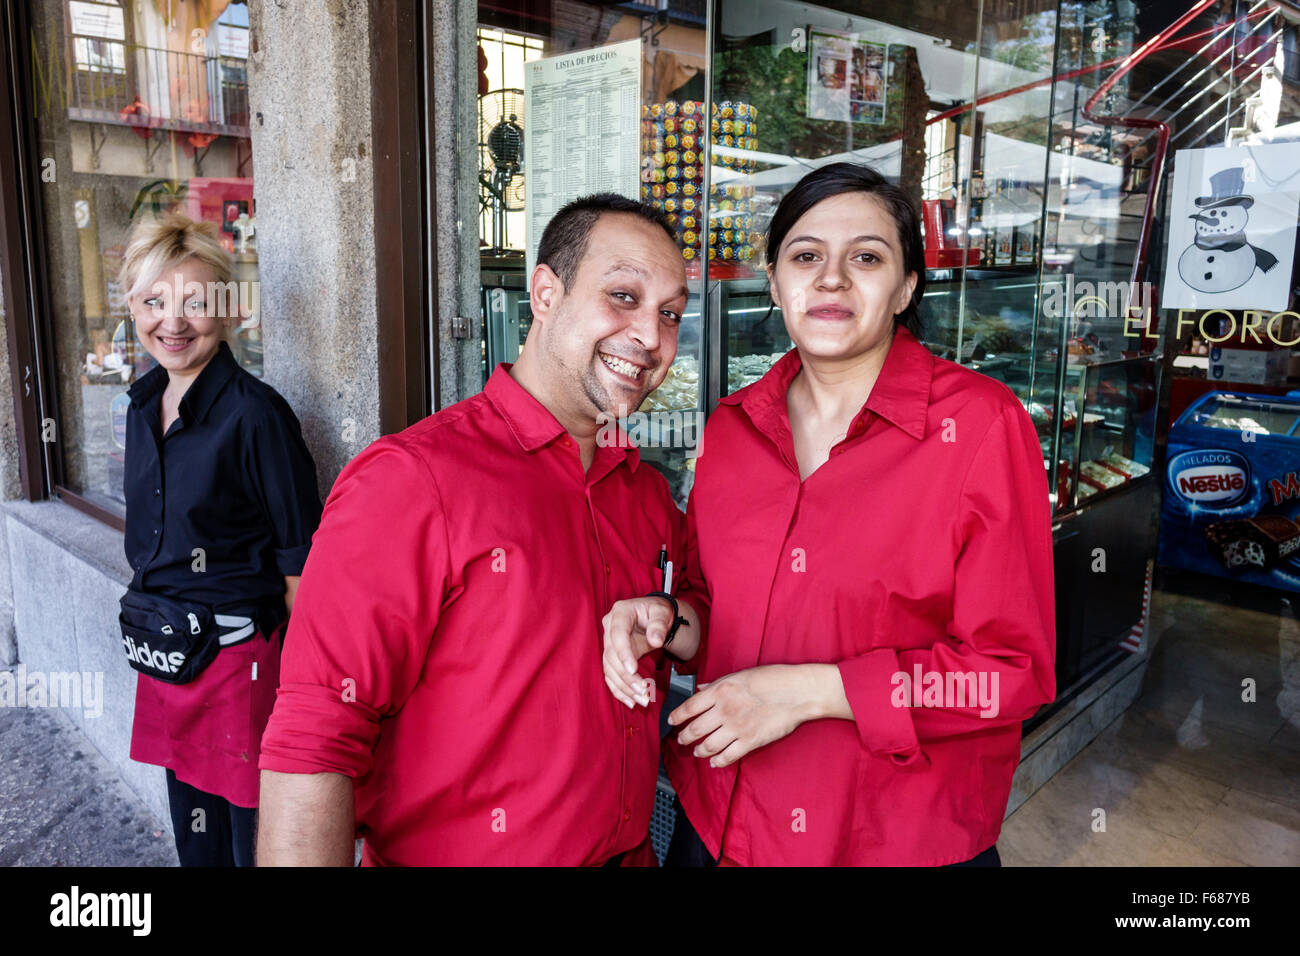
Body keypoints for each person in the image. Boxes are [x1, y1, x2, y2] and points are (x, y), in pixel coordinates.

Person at [603, 163, 1056, 866]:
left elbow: (1011, 671)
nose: (832, 278)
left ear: (906, 287)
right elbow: (721, 611)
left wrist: (817, 692)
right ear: (777, 281)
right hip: (718, 820)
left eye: (866, 257)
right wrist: (668, 621)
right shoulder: (732, 430)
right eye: (806, 255)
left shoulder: (981, 427)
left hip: (882, 837)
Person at [256, 193, 695, 866]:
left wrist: (671, 612)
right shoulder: (412, 481)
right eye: (623, 296)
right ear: (545, 293)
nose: (651, 335)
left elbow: (707, 621)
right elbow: (314, 739)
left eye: (669, 313)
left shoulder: (647, 495)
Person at [119, 212, 322, 866]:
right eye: (154, 302)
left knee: (251, 842)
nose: (172, 323)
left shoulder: (255, 414)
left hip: (239, 669)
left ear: (228, 311)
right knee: (193, 836)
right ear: (132, 306)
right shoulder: (140, 403)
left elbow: (302, 564)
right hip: (166, 656)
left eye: (195, 303)